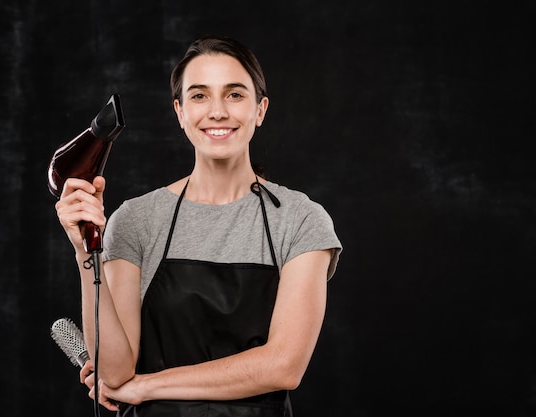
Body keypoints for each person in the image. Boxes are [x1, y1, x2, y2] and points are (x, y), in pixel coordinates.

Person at [55, 35, 342, 417]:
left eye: (235, 94)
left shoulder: (299, 219)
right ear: (180, 112)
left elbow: (283, 366)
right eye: (200, 95)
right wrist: (83, 252)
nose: (218, 111)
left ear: (260, 109)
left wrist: (147, 386)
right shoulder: (136, 220)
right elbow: (115, 370)